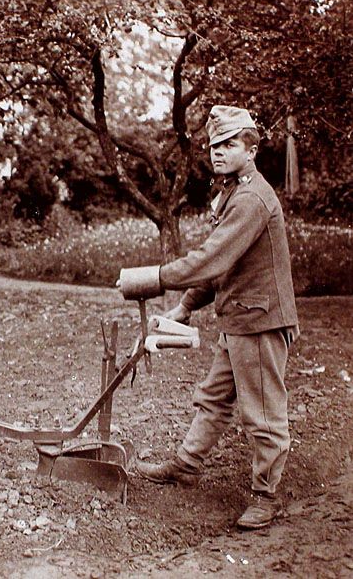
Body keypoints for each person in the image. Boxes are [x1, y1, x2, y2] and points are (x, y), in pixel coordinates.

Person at [118, 105, 299, 530]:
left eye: (229, 144)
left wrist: (153, 279)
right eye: (214, 145)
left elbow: (212, 257)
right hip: (240, 317)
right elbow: (225, 265)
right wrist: (184, 306)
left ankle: (265, 496)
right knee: (214, 397)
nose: (218, 152)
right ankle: (186, 464)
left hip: (261, 321)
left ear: (251, 150)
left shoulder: (252, 199)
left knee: (263, 414)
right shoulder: (235, 192)